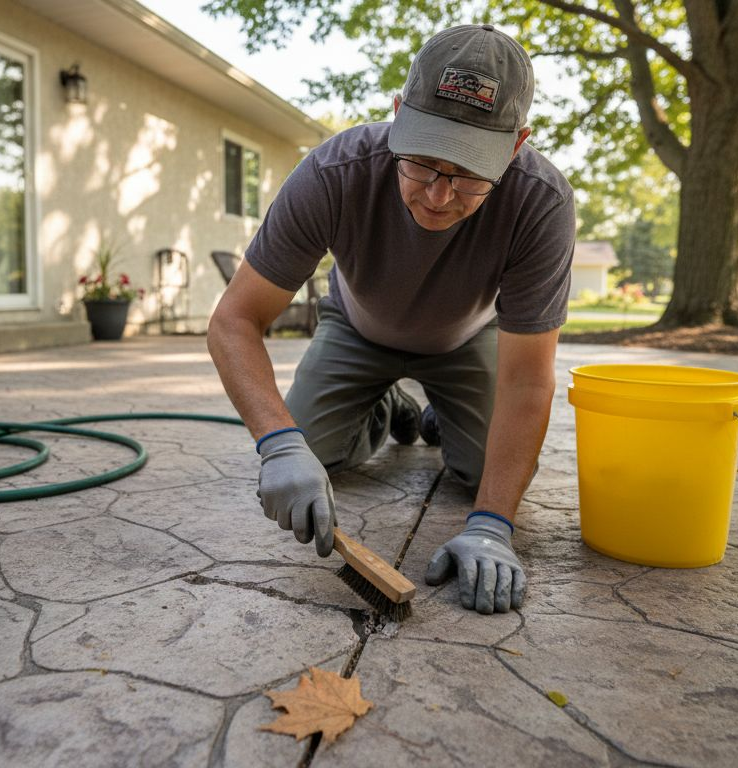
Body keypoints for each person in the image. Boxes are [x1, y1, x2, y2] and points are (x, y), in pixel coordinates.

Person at [207, 24, 575, 615]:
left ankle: (437, 414)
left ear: (515, 145)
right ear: (398, 114)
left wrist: (491, 524)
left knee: (487, 471)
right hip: (357, 329)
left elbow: (529, 379)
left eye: (468, 174)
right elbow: (233, 321)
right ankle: (391, 407)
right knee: (311, 453)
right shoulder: (336, 171)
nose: (437, 195)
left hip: (465, 340)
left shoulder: (541, 200)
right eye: (423, 163)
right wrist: (278, 444)